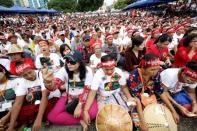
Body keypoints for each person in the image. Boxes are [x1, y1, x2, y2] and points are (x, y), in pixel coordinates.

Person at [42, 51, 98, 131]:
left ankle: (78, 114)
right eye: (67, 61)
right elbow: (54, 87)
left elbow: (87, 89)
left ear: (79, 62)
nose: (69, 64)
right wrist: (48, 82)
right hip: (69, 97)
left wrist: (79, 105)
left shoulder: (87, 70)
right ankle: (80, 120)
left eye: (72, 61)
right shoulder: (64, 70)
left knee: (93, 114)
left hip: (84, 97)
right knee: (51, 117)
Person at [127, 54, 179, 131]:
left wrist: (173, 111)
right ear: (143, 68)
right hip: (136, 101)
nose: (155, 72)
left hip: (149, 98)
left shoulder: (156, 74)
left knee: (164, 118)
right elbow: (137, 99)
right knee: (138, 125)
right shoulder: (133, 76)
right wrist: (143, 122)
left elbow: (160, 92)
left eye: (157, 69)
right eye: (152, 69)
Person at [7, 58, 60, 131]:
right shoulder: (22, 81)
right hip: (35, 104)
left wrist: (38, 119)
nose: (29, 76)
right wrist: (11, 127)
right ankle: (20, 123)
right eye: (25, 75)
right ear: (22, 76)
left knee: (48, 109)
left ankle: (28, 121)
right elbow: (18, 103)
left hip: (50, 100)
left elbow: (45, 96)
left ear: (32, 68)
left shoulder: (42, 74)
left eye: (30, 72)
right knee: (19, 110)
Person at [83, 54, 136, 126]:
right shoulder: (98, 75)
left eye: (112, 69)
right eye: (106, 69)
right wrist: (85, 110)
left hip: (118, 94)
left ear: (115, 66)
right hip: (103, 98)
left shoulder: (118, 72)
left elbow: (124, 87)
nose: (109, 72)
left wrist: (129, 97)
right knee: (107, 119)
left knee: (131, 111)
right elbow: (92, 93)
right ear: (102, 67)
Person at [0, 64, 22, 130]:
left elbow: (19, 102)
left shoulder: (15, 82)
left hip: (15, 111)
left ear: (3, 71)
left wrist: (7, 117)